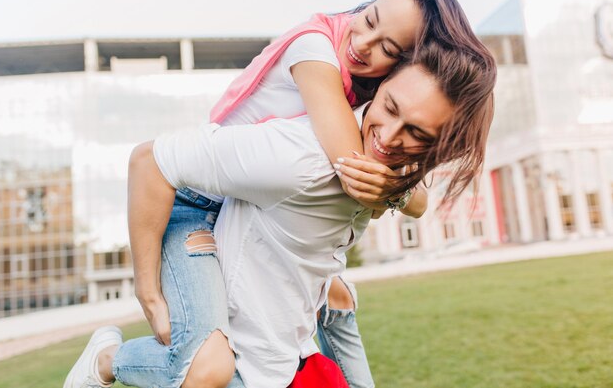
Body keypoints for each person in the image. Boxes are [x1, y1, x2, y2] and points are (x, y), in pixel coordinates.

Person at [65, 37, 496, 388]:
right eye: (390, 108)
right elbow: (150, 160)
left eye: (417, 133)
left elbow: (416, 198)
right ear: (380, 88)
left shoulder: (390, 172)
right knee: (204, 375)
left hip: (293, 353)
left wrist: (336, 267)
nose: (387, 137)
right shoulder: (299, 156)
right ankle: (106, 359)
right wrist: (149, 292)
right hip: (242, 365)